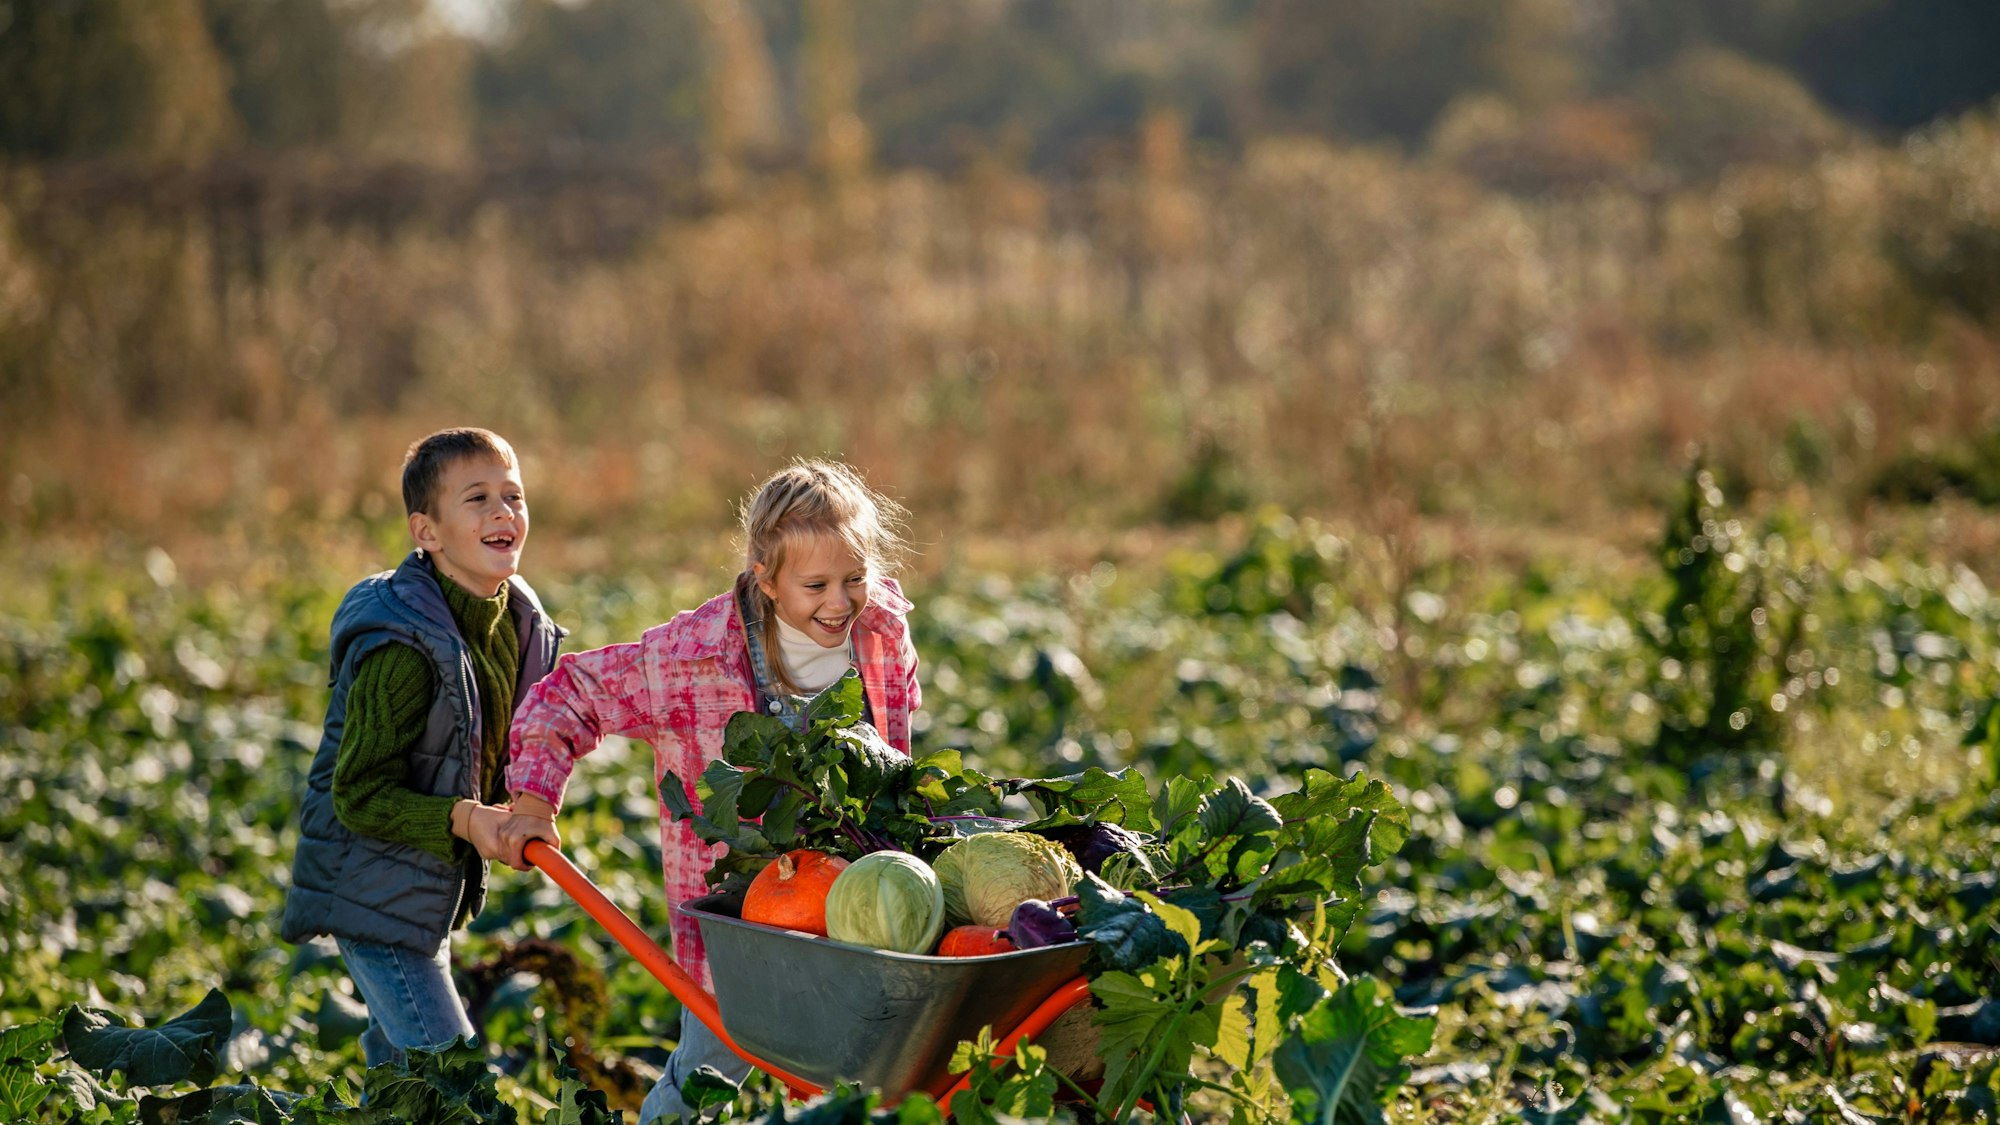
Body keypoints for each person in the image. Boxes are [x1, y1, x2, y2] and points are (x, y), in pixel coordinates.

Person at [505, 459, 921, 1124]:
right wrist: (531, 798)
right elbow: (571, 693)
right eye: (816, 584)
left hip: (856, 907)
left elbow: (899, 720)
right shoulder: (691, 659)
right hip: (742, 925)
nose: (840, 601)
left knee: (868, 1078)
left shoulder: (880, 631)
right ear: (767, 579)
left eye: (853, 578)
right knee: (710, 1066)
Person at [281, 427, 566, 1067]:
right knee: (453, 1077)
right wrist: (469, 820)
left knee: (400, 1082)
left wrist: (528, 804)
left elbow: (519, 737)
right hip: (375, 900)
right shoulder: (406, 651)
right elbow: (357, 794)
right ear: (427, 533)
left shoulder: (516, 623)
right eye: (478, 499)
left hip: (424, 895)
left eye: (513, 496)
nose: (503, 513)